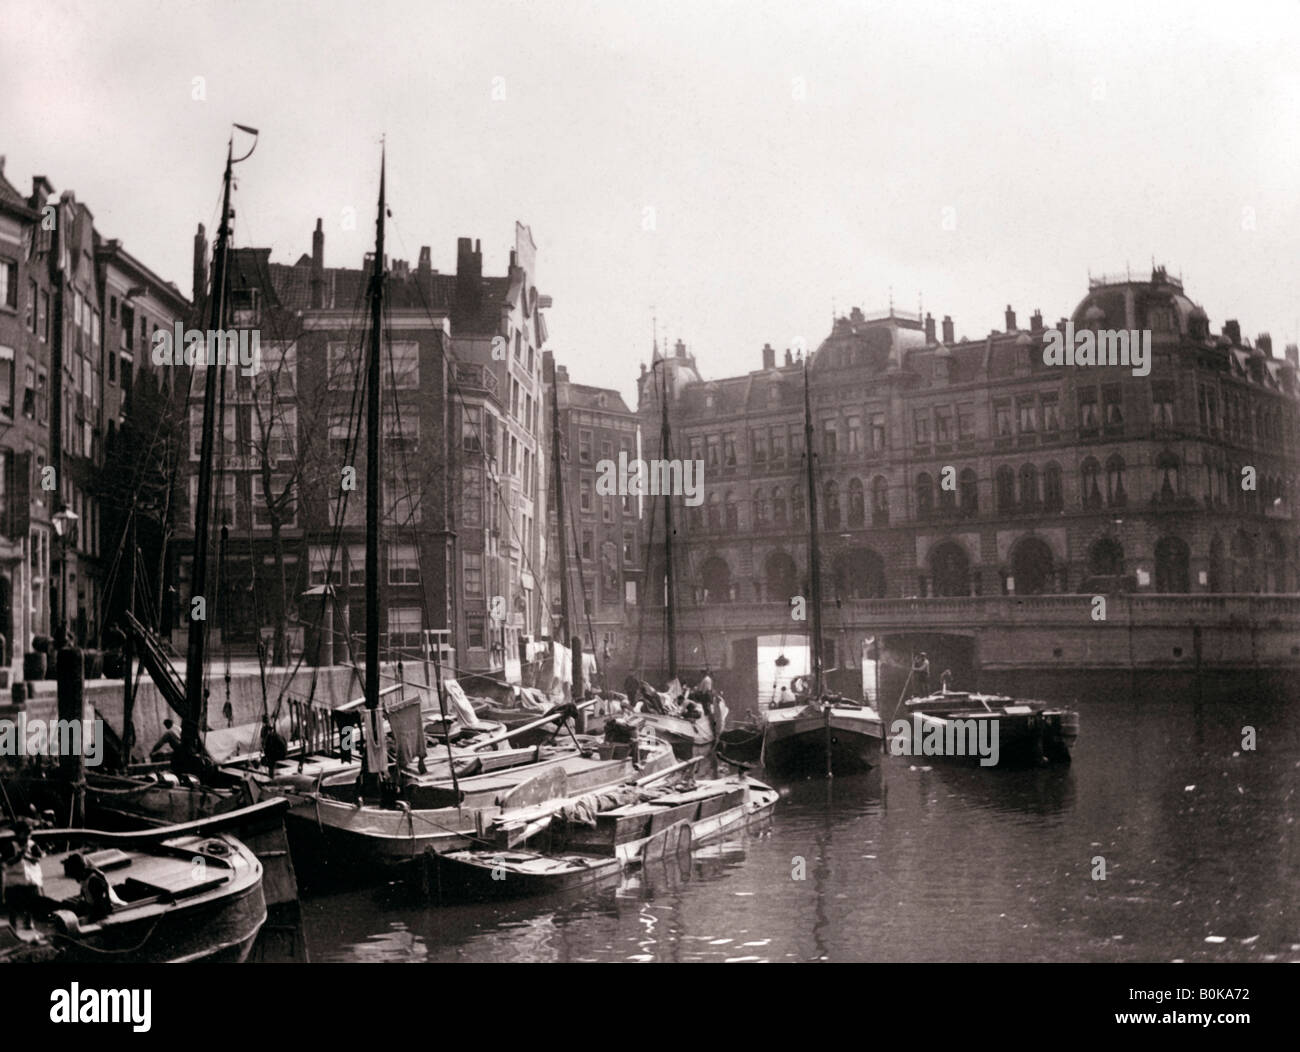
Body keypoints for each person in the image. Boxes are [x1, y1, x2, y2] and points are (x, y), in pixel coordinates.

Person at [3, 821, 44, 931]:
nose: (27, 836)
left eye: (29, 834)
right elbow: (8, 861)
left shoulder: (32, 844)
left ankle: (29, 921)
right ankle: (13, 924)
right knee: (14, 903)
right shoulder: (12, 846)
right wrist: (19, 856)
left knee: (31, 901)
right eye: (25, 833)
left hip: (30, 878)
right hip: (15, 879)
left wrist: (30, 858)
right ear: (18, 834)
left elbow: (38, 857)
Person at [63, 854, 123, 921]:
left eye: (73, 875)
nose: (74, 879)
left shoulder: (94, 881)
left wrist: (87, 918)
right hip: (94, 909)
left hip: (104, 911)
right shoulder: (84, 879)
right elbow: (87, 898)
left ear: (78, 871)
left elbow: (101, 906)